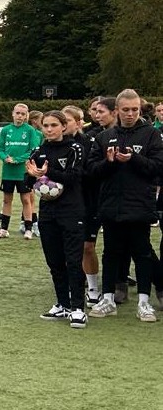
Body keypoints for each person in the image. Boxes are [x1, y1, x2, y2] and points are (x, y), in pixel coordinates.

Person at [85, 89, 163, 322]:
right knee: (111, 252)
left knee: (142, 253)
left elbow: (158, 168)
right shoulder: (104, 136)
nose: (130, 114)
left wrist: (135, 159)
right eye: (126, 110)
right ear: (117, 110)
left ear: (140, 109)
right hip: (110, 204)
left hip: (139, 204)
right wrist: (109, 163)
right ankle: (107, 298)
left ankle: (144, 302)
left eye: (135, 110)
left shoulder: (151, 135)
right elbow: (91, 171)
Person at [25, 110, 88, 328]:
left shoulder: (75, 148)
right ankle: (63, 304)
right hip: (48, 213)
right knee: (54, 261)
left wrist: (46, 174)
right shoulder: (38, 150)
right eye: (46, 126)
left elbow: (74, 177)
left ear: (63, 127)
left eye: (54, 125)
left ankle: (79, 308)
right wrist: (34, 176)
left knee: (73, 260)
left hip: (72, 211)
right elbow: (27, 180)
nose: (49, 129)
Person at [81, 97, 116, 303]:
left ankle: (120, 282)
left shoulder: (133, 133)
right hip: (94, 197)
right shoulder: (91, 136)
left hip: (121, 197)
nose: (97, 114)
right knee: (87, 245)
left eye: (100, 110)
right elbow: (90, 169)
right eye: (94, 110)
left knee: (129, 245)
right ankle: (97, 287)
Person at [0, 103, 40, 239]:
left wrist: (18, 159)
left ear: (26, 116)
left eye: (23, 114)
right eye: (17, 113)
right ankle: (4, 229)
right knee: (7, 200)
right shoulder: (6, 130)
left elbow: (33, 150)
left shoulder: (30, 130)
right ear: (13, 114)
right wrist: (5, 158)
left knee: (26, 199)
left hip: (23, 172)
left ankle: (28, 228)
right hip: (8, 172)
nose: (20, 116)